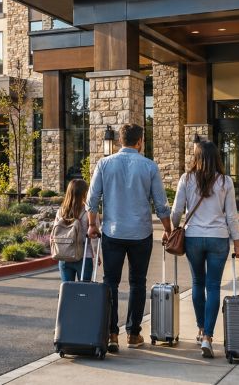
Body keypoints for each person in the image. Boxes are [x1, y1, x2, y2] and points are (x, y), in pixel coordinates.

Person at [87, 123, 172, 353]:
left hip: (112, 232)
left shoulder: (104, 164)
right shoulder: (149, 166)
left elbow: (92, 199)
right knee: (137, 283)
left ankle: (112, 333)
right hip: (140, 233)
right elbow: (161, 203)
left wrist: (92, 224)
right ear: (140, 141)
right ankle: (133, 334)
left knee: (110, 282)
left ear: (119, 141)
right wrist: (168, 228)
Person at [170, 140, 239, 359]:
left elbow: (176, 211)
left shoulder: (186, 179)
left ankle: (201, 327)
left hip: (193, 237)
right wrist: (237, 243)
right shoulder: (225, 181)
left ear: (197, 157)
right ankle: (208, 338)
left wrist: (173, 229)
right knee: (213, 286)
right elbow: (231, 215)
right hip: (218, 238)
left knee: (197, 283)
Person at [55, 179, 95, 282]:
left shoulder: (61, 212)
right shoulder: (88, 212)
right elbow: (94, 236)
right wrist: (96, 254)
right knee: (83, 292)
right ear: (85, 193)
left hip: (64, 256)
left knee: (68, 291)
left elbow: (55, 233)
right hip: (84, 256)